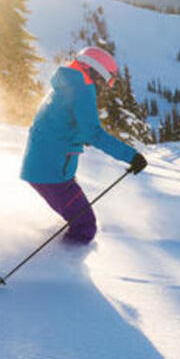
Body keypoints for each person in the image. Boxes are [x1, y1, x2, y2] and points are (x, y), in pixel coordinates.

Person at [20, 46, 147, 243]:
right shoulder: (82, 91)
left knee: (78, 216)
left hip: (43, 168)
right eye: (106, 81)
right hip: (53, 174)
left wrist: (78, 136)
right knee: (85, 225)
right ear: (96, 73)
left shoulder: (66, 84)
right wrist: (132, 156)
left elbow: (58, 122)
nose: (105, 87)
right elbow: (94, 133)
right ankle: (64, 268)